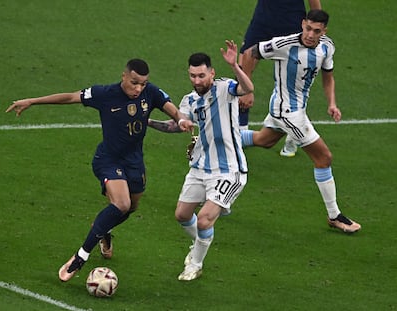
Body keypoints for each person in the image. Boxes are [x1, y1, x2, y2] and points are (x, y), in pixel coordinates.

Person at [5, 59, 193, 282]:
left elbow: (172, 110)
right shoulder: (104, 94)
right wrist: (32, 101)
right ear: (124, 76)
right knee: (121, 204)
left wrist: (181, 120)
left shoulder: (150, 92)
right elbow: (70, 97)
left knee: (131, 207)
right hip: (108, 160)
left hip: (134, 162)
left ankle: (103, 230)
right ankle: (80, 256)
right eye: (134, 83)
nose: (138, 89)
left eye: (143, 84)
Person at [241, 9, 361, 233]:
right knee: (324, 157)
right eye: (307, 28)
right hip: (287, 111)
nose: (310, 34)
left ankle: (217, 139)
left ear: (323, 31)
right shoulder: (284, 44)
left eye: (316, 31)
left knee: (263, 140)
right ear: (302, 24)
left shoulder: (327, 46)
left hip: (296, 110)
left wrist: (332, 103)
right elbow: (250, 53)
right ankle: (334, 215)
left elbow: (328, 77)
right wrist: (246, 90)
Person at [149, 40, 254, 281]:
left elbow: (247, 88)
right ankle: (199, 245)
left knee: (205, 219)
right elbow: (176, 125)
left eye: (201, 75)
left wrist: (235, 66)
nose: (197, 81)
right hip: (200, 167)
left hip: (229, 170)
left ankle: (194, 264)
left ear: (212, 73)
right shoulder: (189, 100)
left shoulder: (225, 89)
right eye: (193, 76)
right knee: (182, 215)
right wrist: (151, 122)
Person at [238, 0, 321, 157]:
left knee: (295, 80)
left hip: (291, 21)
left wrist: (318, 26)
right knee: (243, 68)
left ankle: (294, 134)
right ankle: (240, 131)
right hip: (264, 18)